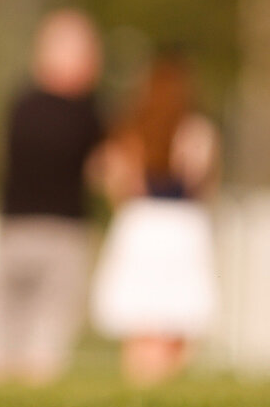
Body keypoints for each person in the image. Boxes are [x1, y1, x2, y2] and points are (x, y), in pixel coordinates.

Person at [0, 9, 104, 384]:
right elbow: (102, 169)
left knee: (3, 318)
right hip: (60, 231)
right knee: (46, 325)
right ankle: (27, 382)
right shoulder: (88, 113)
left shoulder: (19, 104)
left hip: (16, 226)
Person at [89, 53, 220, 385]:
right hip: (183, 227)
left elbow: (106, 175)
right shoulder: (196, 131)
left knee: (142, 320)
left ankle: (140, 384)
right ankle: (165, 384)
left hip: (141, 225)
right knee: (176, 320)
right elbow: (205, 182)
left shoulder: (131, 132)